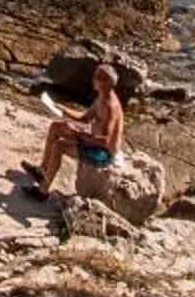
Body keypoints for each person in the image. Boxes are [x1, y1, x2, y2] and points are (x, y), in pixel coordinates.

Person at [32, 65, 125, 199]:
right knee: (56, 126)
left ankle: (42, 191)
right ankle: (42, 170)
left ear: (108, 83)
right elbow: (86, 118)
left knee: (59, 146)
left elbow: (106, 140)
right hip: (93, 141)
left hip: (103, 153)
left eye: (98, 78)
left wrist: (80, 135)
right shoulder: (101, 97)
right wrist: (63, 109)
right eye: (95, 76)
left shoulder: (110, 107)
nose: (93, 80)